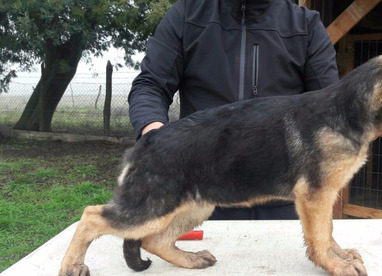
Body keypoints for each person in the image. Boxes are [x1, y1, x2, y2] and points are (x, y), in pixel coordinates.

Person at [128, 0, 340, 220]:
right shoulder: (186, 16)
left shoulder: (306, 25)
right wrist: (153, 134)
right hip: (201, 195)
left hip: (283, 197)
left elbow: (329, 104)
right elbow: (151, 85)